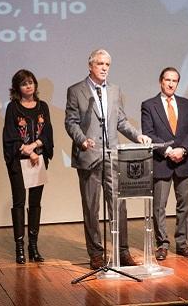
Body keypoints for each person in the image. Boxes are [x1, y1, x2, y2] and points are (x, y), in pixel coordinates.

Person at [65, 48, 151, 269]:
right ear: (90, 65)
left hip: (112, 156)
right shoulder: (76, 91)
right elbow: (71, 121)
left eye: (107, 65)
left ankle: (122, 251)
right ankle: (95, 253)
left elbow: (120, 121)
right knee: (92, 208)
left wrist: (137, 134)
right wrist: (82, 140)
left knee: (118, 206)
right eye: (100, 64)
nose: (104, 68)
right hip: (88, 156)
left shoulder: (114, 90)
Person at [140, 67, 188, 260]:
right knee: (159, 206)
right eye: (167, 80)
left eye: (174, 81)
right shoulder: (149, 105)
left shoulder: (186, 104)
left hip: (184, 160)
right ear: (161, 81)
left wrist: (183, 150)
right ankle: (162, 244)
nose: (171, 84)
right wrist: (167, 151)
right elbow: (148, 133)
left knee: (184, 205)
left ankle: (182, 243)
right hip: (161, 161)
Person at [3, 69, 54, 264]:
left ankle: (33, 247)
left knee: (35, 204)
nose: (29, 86)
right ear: (17, 88)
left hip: (38, 161)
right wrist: (28, 151)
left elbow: (47, 133)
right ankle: (19, 248)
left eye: (31, 82)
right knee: (19, 203)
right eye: (24, 83)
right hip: (19, 161)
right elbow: (10, 136)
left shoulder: (43, 106)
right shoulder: (12, 108)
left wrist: (35, 147)